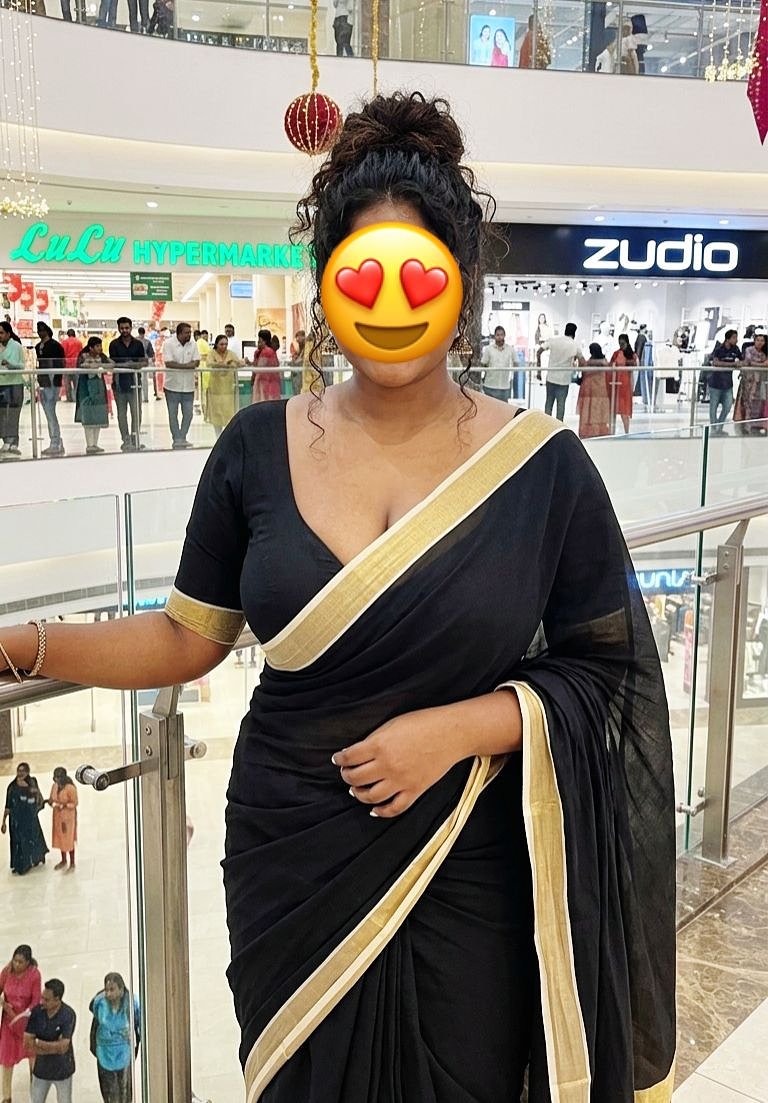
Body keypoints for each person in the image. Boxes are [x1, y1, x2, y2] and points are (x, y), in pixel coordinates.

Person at [0, 92, 676, 1102]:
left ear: (461, 283)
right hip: (290, 855)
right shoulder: (254, 448)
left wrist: (456, 730)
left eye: (419, 274)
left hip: (466, 858)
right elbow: (186, 638)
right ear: (326, 284)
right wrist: (20, 643)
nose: (390, 301)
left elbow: (611, 673)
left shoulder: (544, 468)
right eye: (361, 273)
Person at [89, 973, 140, 1103]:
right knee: (109, 1095)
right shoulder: (99, 1004)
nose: (108, 994)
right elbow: (94, 1029)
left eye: (112, 990)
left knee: (125, 1094)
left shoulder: (132, 1004)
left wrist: (134, 1049)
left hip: (124, 1054)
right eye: (106, 990)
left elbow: (138, 1029)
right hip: (104, 1054)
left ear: (121, 990)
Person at [24, 979, 76, 1103]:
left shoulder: (68, 1014)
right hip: (41, 1070)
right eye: (42, 998)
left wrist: (39, 1044)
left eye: (46, 1000)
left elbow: (63, 1047)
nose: (42, 1002)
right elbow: (27, 1042)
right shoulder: (37, 1012)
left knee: (64, 1100)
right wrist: (54, 1047)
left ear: (57, 999)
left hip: (62, 1070)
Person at [0, 945, 41, 1102]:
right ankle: (6, 1097)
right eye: (15, 961)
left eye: (20, 962)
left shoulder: (34, 975)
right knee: (6, 1060)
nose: (16, 964)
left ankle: (36, 1093)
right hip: (9, 1023)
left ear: (28, 963)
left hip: (27, 1024)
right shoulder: (7, 971)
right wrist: (4, 1005)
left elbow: (36, 1001)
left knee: (33, 1059)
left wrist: (23, 1015)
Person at [2, 762, 48, 875]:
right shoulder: (12, 787)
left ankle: (35, 859)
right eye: (19, 771)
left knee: (33, 838)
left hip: (30, 818)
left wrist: (37, 799)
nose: (20, 773)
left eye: (23, 771)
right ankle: (20, 864)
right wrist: (3, 822)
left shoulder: (32, 782)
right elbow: (8, 805)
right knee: (18, 841)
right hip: (16, 820)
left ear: (27, 772)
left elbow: (38, 797)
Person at [109, 319, 146, 452]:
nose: (124, 330)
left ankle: (135, 438)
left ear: (131, 328)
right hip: (119, 384)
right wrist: (129, 365)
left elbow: (143, 362)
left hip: (135, 383)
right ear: (118, 328)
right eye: (122, 328)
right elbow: (113, 364)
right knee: (121, 413)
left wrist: (132, 365)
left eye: (127, 328)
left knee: (137, 412)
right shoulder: (114, 344)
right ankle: (125, 439)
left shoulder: (138, 344)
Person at [162, 322, 200, 449]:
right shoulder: (168, 344)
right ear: (179, 333)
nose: (189, 335)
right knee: (173, 415)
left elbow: (196, 362)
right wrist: (187, 366)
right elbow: (169, 363)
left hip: (188, 386)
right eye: (186, 333)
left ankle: (182, 438)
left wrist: (182, 366)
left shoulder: (193, 344)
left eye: (190, 332)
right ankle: (176, 438)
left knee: (188, 414)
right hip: (172, 386)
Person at [541, 321, 585, 421]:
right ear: (574, 333)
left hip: (551, 377)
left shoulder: (554, 341)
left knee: (549, 404)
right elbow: (583, 361)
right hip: (564, 380)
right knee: (561, 406)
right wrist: (581, 374)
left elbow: (540, 351)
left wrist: (539, 368)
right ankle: (559, 426)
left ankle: (546, 425)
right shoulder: (575, 345)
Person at [75, 338, 110, 454]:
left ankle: (95, 443)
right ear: (91, 347)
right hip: (86, 388)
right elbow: (80, 366)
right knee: (88, 414)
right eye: (97, 346)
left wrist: (98, 365)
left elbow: (111, 364)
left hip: (99, 388)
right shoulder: (83, 356)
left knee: (98, 414)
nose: (100, 348)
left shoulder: (102, 356)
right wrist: (96, 366)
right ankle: (89, 444)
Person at [35, 323, 66, 457]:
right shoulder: (38, 346)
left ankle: (55, 441)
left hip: (52, 380)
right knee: (48, 412)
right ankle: (56, 440)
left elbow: (60, 364)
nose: (40, 333)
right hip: (43, 379)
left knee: (50, 411)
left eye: (42, 330)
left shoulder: (55, 346)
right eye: (38, 330)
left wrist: (56, 379)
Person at [205, 334, 242, 438]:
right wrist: (224, 364)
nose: (224, 346)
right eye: (221, 344)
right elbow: (209, 363)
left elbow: (239, 363)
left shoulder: (231, 353)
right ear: (216, 344)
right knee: (216, 413)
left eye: (226, 344)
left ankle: (227, 437)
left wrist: (232, 363)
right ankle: (217, 437)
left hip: (228, 390)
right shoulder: (211, 353)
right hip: (215, 389)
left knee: (228, 413)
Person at [708, 329, 742, 435]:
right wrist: (732, 365)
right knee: (713, 407)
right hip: (715, 383)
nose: (736, 340)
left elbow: (742, 360)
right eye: (734, 338)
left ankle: (719, 426)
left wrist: (740, 364)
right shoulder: (719, 349)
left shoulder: (736, 349)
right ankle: (714, 428)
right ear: (728, 339)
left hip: (728, 384)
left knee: (727, 406)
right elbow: (715, 362)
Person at [733, 331, 768, 435]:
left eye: (762, 340)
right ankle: (746, 426)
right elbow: (748, 361)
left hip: (759, 382)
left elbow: (761, 364)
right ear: (754, 340)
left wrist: (755, 363)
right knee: (747, 403)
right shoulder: (749, 349)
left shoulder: (763, 354)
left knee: (757, 404)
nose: (760, 342)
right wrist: (760, 364)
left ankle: (754, 425)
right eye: (758, 340)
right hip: (748, 382)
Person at [0, 321, 25, 457]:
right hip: (1, 383)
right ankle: (6, 439)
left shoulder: (16, 346)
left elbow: (21, 365)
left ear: (8, 334)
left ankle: (13, 441)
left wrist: (10, 364)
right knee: (2, 414)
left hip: (14, 383)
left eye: (2, 333)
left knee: (14, 414)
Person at [577, 342, 612, 438]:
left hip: (590, 388)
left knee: (589, 410)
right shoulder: (603, 361)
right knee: (598, 409)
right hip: (599, 388)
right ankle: (599, 430)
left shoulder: (590, 362)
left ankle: (590, 431)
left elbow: (584, 371)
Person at [46, 768, 78, 872]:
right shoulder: (54, 786)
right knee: (60, 838)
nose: (56, 779)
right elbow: (52, 799)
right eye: (55, 776)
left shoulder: (70, 788)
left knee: (68, 839)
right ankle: (63, 860)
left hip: (68, 817)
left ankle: (72, 862)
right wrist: (50, 802)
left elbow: (74, 803)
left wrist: (64, 805)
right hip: (57, 816)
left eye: (58, 777)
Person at [608, 332, 636, 434]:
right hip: (616, 384)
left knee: (624, 410)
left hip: (626, 384)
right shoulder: (616, 353)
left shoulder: (632, 355)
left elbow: (634, 368)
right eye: (619, 343)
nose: (621, 345)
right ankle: (612, 432)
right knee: (614, 409)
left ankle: (626, 432)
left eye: (622, 343)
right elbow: (610, 366)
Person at [480, 325, 515, 403]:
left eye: (501, 335)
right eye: (497, 335)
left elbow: (516, 362)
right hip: (490, 386)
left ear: (504, 335)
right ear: (495, 336)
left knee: (503, 409)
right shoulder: (488, 349)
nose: (499, 337)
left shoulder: (510, 349)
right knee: (489, 408)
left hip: (504, 386)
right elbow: (483, 363)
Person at [251, 329, 281, 403]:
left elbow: (260, 367)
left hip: (267, 382)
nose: (258, 342)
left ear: (264, 341)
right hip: (263, 382)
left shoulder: (267, 351)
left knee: (264, 402)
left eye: (260, 340)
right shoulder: (260, 351)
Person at [60, 329, 82, 404]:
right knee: (77, 384)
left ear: (68, 334)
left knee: (67, 384)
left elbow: (62, 354)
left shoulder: (65, 342)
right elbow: (81, 354)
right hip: (77, 365)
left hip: (67, 365)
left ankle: (69, 398)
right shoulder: (79, 342)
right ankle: (77, 398)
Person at [136, 327, 156, 402]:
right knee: (144, 380)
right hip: (145, 362)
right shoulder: (147, 342)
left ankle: (139, 397)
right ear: (144, 333)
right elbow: (151, 354)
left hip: (136, 363)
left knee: (137, 380)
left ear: (138, 332)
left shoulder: (134, 341)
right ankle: (145, 397)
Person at [289, 330, 306, 395]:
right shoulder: (295, 345)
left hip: (302, 370)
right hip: (297, 370)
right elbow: (295, 356)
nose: (298, 340)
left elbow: (302, 357)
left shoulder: (305, 346)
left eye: (299, 337)